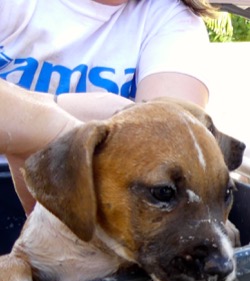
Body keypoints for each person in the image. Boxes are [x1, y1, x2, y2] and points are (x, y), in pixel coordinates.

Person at [0, 0, 217, 211]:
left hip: (89, 210)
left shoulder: (172, 19)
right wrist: (53, 117)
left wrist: (24, 120)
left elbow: (171, 144)